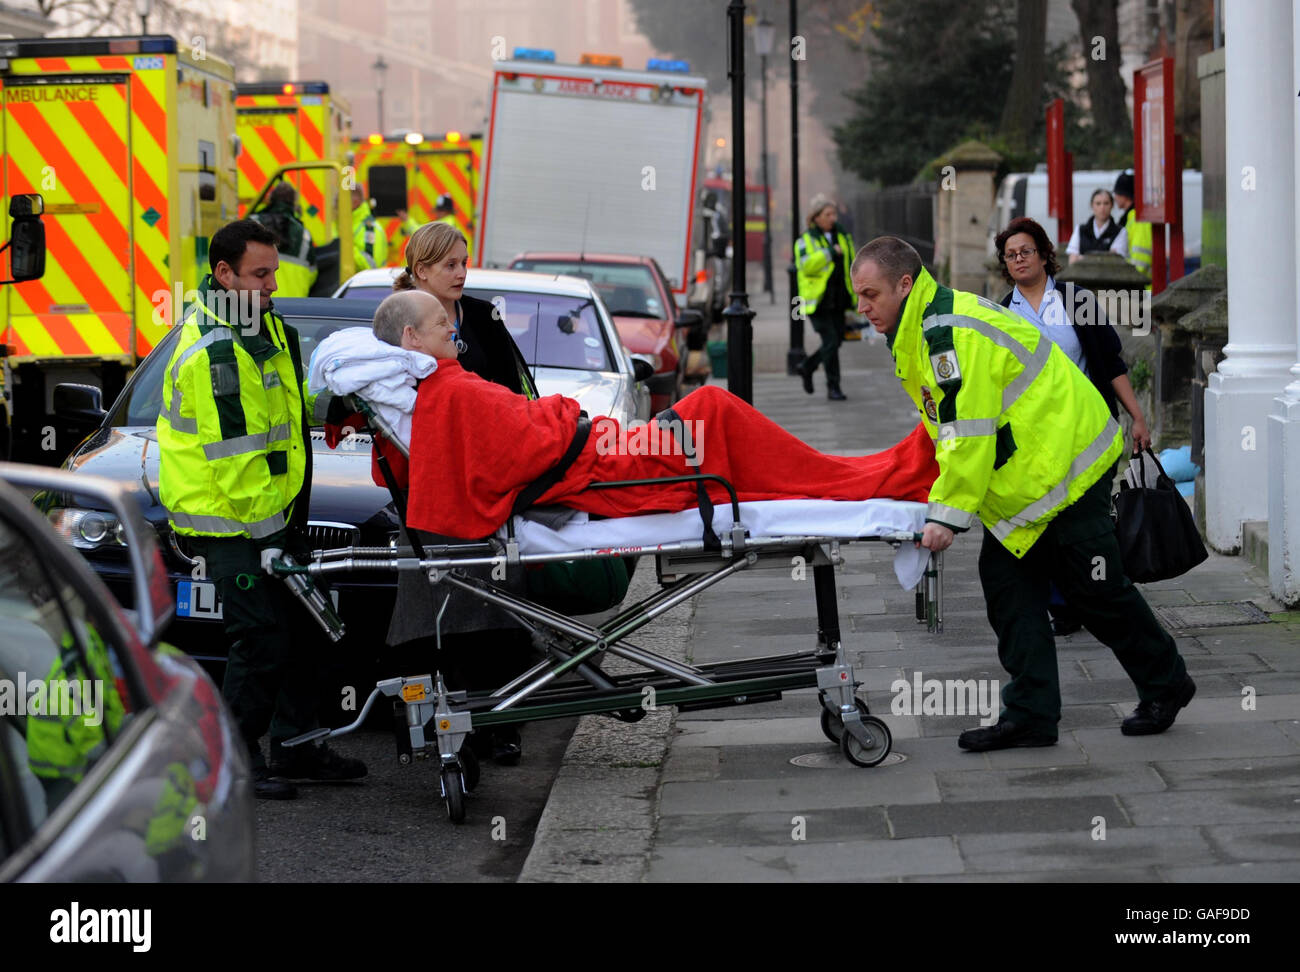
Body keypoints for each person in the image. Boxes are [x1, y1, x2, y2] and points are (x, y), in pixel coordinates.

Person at [849, 235, 1194, 752]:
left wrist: (947, 516)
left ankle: (1166, 683)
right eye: (859, 296)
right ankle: (1031, 713)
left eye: (870, 294)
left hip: (1069, 467)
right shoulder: (922, 327)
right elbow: (946, 426)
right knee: (1011, 584)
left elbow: (968, 430)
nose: (863, 307)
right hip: (1037, 475)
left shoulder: (945, 334)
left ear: (904, 284)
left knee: (1094, 587)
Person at [366, 289, 938, 540]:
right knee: (713, 410)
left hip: (604, 450)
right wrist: (565, 414)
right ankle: (863, 479)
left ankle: (857, 476)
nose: (454, 330)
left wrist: (563, 419)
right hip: (603, 459)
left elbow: (518, 436)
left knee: (713, 414)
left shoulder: (443, 389)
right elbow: (528, 444)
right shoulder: (449, 392)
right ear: (413, 337)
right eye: (442, 325)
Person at [156, 219, 366, 799]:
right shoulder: (219, 352)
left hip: (274, 515)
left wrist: (336, 408)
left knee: (305, 628)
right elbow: (237, 459)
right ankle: (232, 762)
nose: (274, 284)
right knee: (263, 637)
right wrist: (272, 537)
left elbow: (286, 413)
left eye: (273, 271)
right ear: (224, 274)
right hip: (235, 524)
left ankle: (298, 748)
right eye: (260, 274)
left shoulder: (261, 324)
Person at [386, 221, 535, 764]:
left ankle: (502, 721)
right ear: (421, 269)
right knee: (442, 611)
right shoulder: (404, 322)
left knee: (498, 607)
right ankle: (448, 728)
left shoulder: (484, 315)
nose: (461, 271)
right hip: (435, 488)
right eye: (449, 263)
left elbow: (515, 390)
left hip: (493, 481)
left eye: (463, 261)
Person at [996, 215, 1152, 637]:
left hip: (1088, 431)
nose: (1019, 259)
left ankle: (1098, 593)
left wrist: (1136, 416)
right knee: (1043, 519)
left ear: (1046, 254)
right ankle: (1061, 604)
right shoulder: (1000, 312)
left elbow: (1112, 362)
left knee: (1087, 521)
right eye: (1011, 255)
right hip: (1036, 436)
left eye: (1026, 251)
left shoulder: (1076, 299)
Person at [795, 194, 856, 400]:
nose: (833, 218)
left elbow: (852, 262)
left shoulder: (843, 236)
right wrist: (829, 252)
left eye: (834, 213)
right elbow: (805, 264)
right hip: (818, 301)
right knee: (830, 342)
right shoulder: (805, 240)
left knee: (837, 340)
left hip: (838, 299)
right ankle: (833, 387)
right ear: (816, 217)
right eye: (827, 214)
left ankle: (807, 366)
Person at [250, 182, 318, 297]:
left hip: (259, 300)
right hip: (294, 305)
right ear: (293, 204)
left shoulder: (252, 223)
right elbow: (312, 274)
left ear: (271, 200)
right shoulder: (304, 234)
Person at [1064, 189, 1127, 263]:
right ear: (1092, 206)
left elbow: (1114, 260)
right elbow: (1072, 261)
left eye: (1106, 203)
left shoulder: (1120, 231)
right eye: (1098, 203)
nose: (1102, 207)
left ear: (1112, 206)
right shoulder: (1080, 230)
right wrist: (1103, 257)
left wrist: (1082, 258)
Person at [1112, 170, 1153, 278]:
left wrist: (1129, 279)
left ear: (1124, 195)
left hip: (1139, 288)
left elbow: (1140, 259)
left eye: (1116, 192)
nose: (1114, 197)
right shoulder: (1131, 218)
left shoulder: (1137, 219)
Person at [351, 183, 388, 271]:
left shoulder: (370, 228)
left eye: (340, 201)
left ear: (355, 201)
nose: (336, 205)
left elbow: (370, 264)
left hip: (365, 282)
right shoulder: (352, 223)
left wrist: (346, 247)